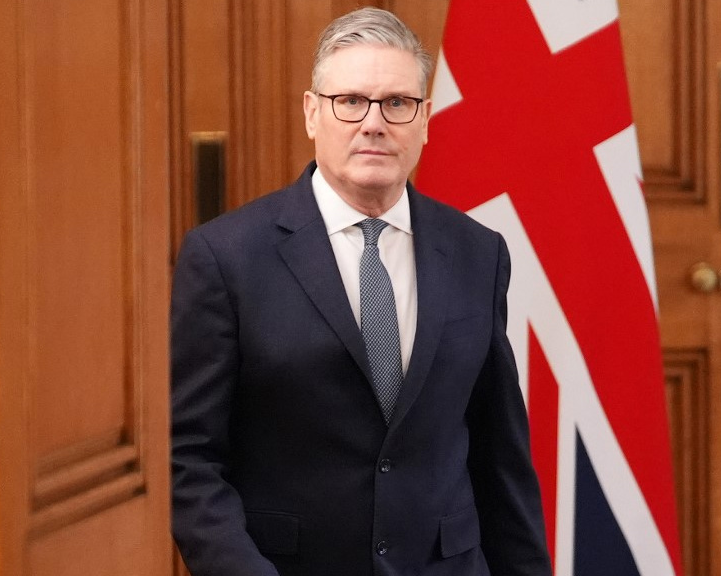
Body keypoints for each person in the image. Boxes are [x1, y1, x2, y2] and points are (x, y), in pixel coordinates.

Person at [170, 7, 551, 576]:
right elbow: (189, 460)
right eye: (350, 101)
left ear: (425, 120)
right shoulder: (225, 257)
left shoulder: (479, 252)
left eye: (397, 103)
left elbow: (501, 453)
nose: (374, 123)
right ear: (311, 113)